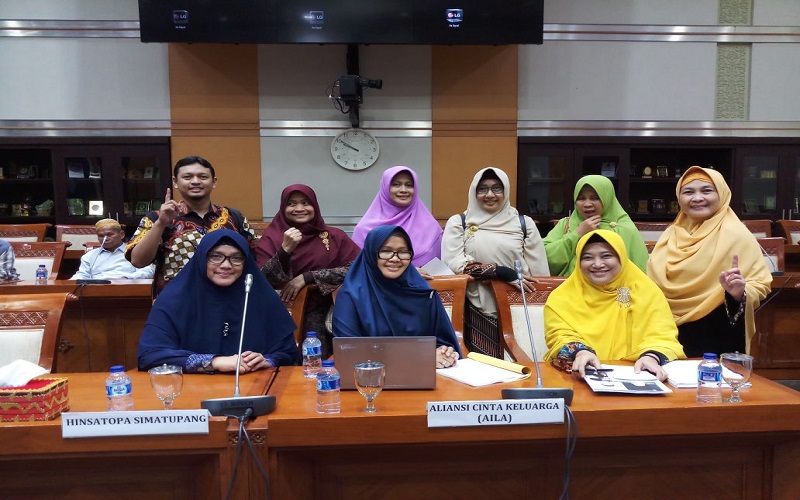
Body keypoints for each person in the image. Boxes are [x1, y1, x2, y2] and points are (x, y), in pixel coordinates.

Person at [647, 166, 772, 357]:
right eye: (688, 192)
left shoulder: (737, 235)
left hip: (715, 332)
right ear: (679, 198)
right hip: (666, 331)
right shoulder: (670, 234)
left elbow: (761, 284)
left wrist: (739, 293)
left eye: (706, 191)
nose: (697, 198)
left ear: (721, 194)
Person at [137, 229, 298, 373]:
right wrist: (213, 362)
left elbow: (288, 353)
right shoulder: (174, 299)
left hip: (253, 388)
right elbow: (150, 356)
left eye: (236, 258)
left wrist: (267, 361)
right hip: (190, 390)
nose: (226, 265)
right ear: (202, 258)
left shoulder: (261, 297)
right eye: (216, 257)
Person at [544, 230, 685, 381]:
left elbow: (662, 334)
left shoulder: (646, 291)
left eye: (606, 256)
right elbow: (559, 335)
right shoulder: (562, 297)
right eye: (587, 258)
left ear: (621, 257)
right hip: (578, 375)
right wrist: (581, 353)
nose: (598, 264)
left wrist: (651, 357)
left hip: (637, 376)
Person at [442, 167, 549, 353]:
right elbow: (455, 265)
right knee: (479, 364)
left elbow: (539, 273)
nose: (490, 194)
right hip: (472, 307)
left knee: (519, 361)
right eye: (482, 189)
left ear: (506, 191)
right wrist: (500, 272)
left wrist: (540, 307)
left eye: (497, 188)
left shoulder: (524, 223)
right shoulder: (459, 222)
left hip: (517, 306)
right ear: (474, 192)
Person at [332, 225, 461, 368]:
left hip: (427, 376)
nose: (395, 259)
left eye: (403, 252)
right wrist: (422, 357)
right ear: (371, 253)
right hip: (372, 378)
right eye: (386, 251)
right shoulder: (351, 295)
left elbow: (443, 342)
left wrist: (445, 353)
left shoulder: (423, 294)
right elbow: (348, 351)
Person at [256, 184, 360, 358]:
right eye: (291, 203)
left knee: (320, 365)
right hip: (281, 315)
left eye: (305, 202)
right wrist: (284, 251)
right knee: (282, 364)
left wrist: (309, 277)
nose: (299, 208)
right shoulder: (271, 237)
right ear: (283, 207)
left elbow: (359, 269)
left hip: (325, 315)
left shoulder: (334, 236)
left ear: (315, 205)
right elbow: (263, 279)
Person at [126, 156, 255, 295]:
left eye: (203, 177)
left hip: (227, 300)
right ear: (175, 182)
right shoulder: (156, 218)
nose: (195, 181)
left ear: (214, 182)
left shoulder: (234, 217)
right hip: (175, 302)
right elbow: (138, 261)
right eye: (187, 177)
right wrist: (160, 224)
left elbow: (254, 259)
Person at [543, 174, 649, 276]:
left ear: (607, 199)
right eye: (581, 198)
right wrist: (577, 234)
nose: (587, 204)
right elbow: (545, 257)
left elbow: (640, 271)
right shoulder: (566, 224)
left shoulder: (624, 228)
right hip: (569, 286)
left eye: (595, 198)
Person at [352, 166, 443, 268]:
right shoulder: (364, 229)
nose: (403, 190)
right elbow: (361, 268)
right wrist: (409, 273)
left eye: (409, 185)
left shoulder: (431, 227)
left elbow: (439, 267)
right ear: (385, 187)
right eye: (396, 184)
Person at [71, 219, 155, 280]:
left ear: (121, 234)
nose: (105, 239)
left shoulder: (134, 252)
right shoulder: (90, 256)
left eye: (109, 234)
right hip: (96, 289)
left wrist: (127, 278)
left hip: (127, 287)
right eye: (101, 236)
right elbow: (82, 275)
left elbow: (148, 272)